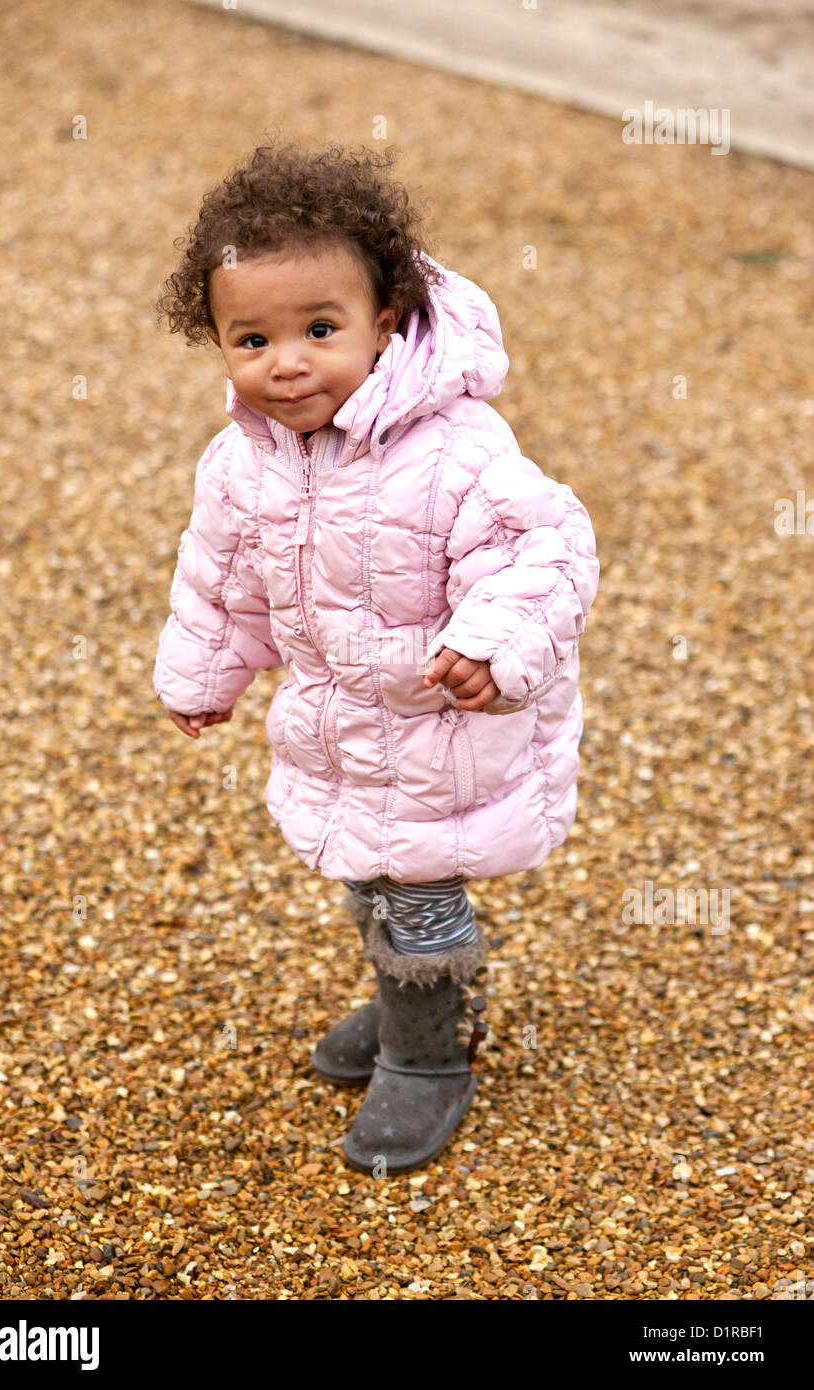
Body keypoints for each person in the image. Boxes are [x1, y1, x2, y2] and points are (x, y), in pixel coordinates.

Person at [152, 138, 600, 1173]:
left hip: (445, 724)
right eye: (250, 338)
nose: (285, 360)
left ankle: (428, 1059)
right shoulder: (242, 461)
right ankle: (416, 1010)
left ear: (385, 321)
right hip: (342, 730)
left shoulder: (452, 448)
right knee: (366, 880)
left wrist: (491, 644)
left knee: (418, 899)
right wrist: (203, 671)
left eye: (318, 328)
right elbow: (222, 581)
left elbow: (547, 546)